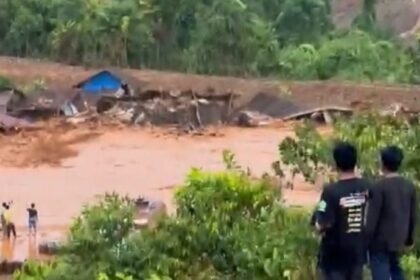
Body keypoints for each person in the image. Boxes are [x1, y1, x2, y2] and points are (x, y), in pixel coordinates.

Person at [312, 142, 370, 280]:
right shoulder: (367, 186)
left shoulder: (331, 191)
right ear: (355, 162)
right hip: (358, 252)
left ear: (336, 164)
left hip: (335, 256)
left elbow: (323, 221)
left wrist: (317, 224)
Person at [365, 146, 417, 280]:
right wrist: (409, 239)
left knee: (380, 271)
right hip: (399, 238)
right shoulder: (408, 186)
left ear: (382, 163)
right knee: (395, 268)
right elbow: (413, 215)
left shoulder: (378, 187)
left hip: (380, 242)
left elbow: (372, 218)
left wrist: (365, 240)